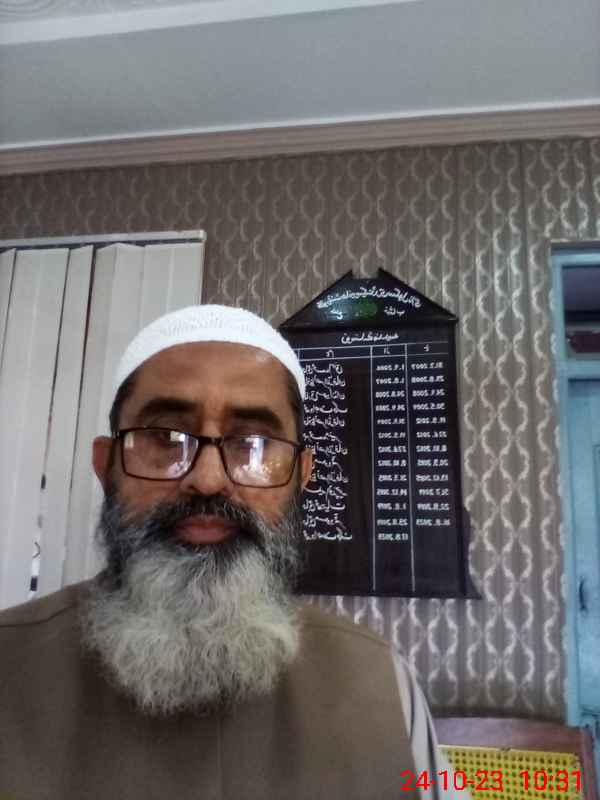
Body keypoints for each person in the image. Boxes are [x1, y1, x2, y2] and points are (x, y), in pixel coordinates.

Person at [0, 304, 460, 799]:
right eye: (164, 437)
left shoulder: (382, 684)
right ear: (107, 465)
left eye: (254, 442)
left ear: (302, 475)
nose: (207, 479)